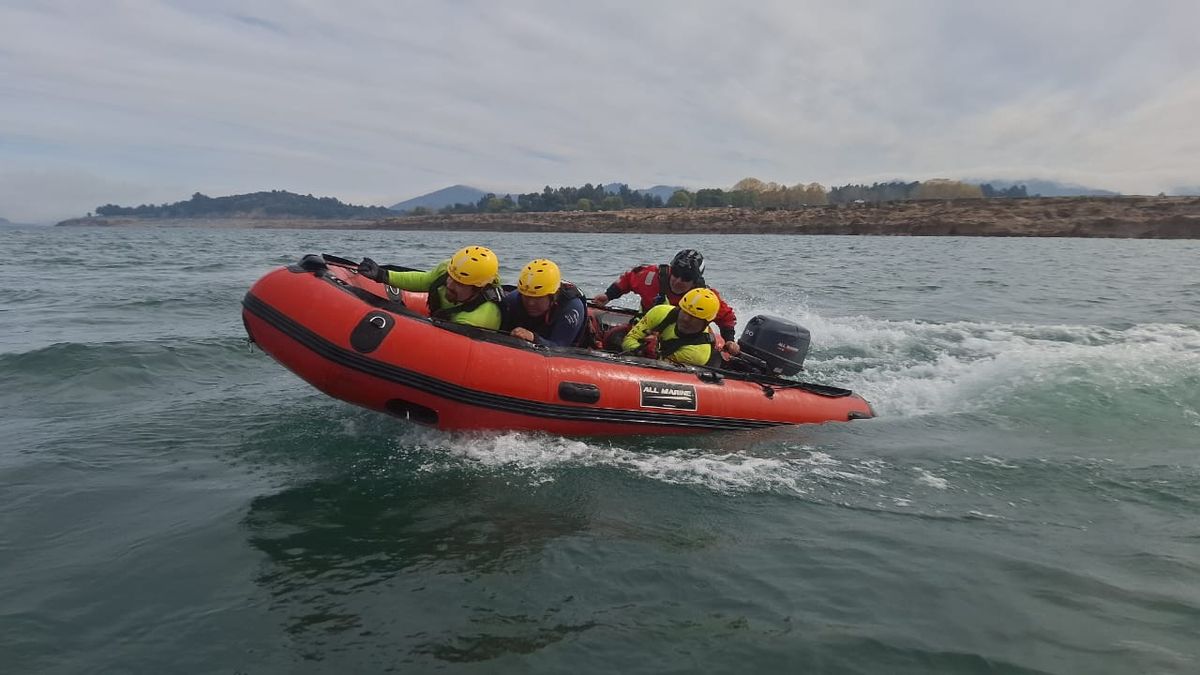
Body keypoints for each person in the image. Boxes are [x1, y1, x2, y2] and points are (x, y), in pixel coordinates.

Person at [591, 248, 740, 355]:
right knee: (612, 338)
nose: (678, 281)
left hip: (686, 340)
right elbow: (629, 279)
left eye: (686, 278)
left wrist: (729, 340)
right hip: (646, 327)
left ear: (696, 282)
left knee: (713, 359)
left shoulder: (705, 298)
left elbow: (726, 317)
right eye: (675, 273)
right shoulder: (650, 277)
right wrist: (608, 296)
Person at [357, 246, 503, 329]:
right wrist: (382, 275)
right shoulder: (450, 268)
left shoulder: (478, 317)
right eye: (451, 278)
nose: (450, 284)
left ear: (478, 288)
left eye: (459, 284)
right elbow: (424, 280)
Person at [621, 288, 722, 368]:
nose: (686, 319)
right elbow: (628, 340)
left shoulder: (697, 353)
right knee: (615, 334)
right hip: (650, 351)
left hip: (679, 369)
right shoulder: (659, 312)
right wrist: (640, 349)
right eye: (684, 312)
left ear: (706, 322)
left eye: (693, 317)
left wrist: (650, 353)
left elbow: (660, 366)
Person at [500, 259, 587, 347]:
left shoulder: (571, 308)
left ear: (553, 296)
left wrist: (533, 338)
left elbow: (560, 346)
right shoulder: (512, 300)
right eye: (526, 297)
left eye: (537, 298)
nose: (530, 303)